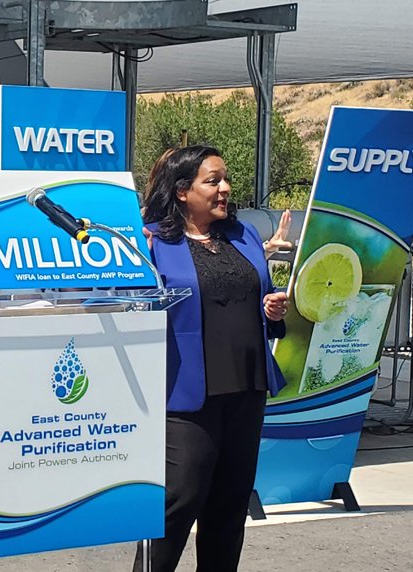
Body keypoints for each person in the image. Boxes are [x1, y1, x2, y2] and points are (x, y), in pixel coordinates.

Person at [134, 145, 288, 572]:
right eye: (213, 180)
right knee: (178, 500)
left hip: (247, 383)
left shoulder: (244, 235)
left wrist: (272, 308)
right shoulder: (152, 241)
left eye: (225, 179)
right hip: (187, 391)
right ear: (183, 191)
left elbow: (256, 296)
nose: (225, 188)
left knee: (229, 505)